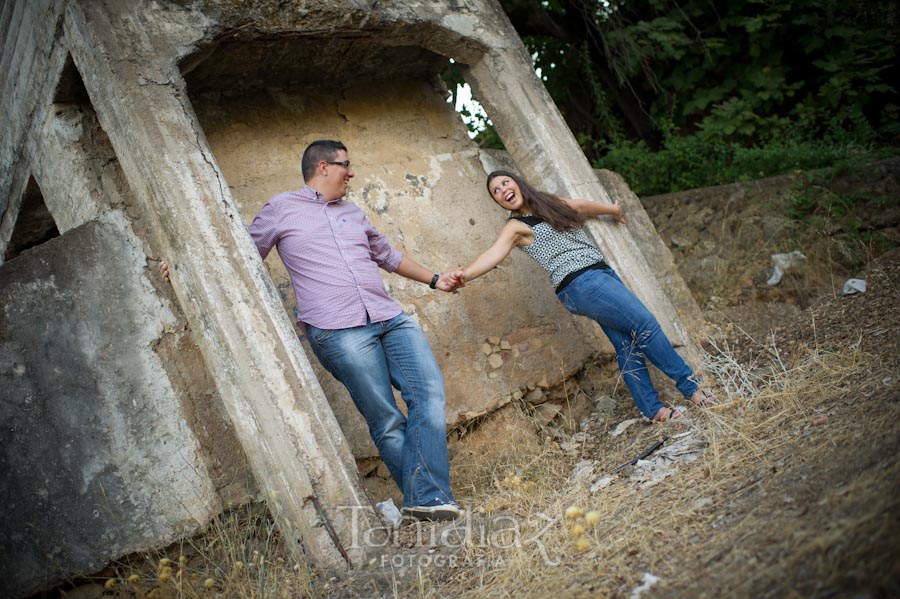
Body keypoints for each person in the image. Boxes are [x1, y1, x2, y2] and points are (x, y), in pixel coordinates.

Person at [162, 140, 462, 521]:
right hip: (338, 330)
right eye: (345, 166)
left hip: (388, 316)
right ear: (323, 167)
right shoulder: (281, 208)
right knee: (385, 417)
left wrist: (436, 280)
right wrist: (185, 267)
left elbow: (388, 256)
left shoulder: (352, 213)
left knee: (429, 393)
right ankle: (431, 502)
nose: (351, 173)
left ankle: (425, 498)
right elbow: (240, 253)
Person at [453, 170, 716, 423]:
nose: (502, 191)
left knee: (627, 344)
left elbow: (580, 207)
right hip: (581, 283)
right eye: (496, 191)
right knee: (645, 324)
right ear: (498, 201)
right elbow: (492, 254)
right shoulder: (515, 226)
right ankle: (693, 388)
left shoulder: (548, 204)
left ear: (518, 183)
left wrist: (613, 210)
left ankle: (653, 410)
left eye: (505, 183)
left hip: (599, 276)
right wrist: (464, 275)